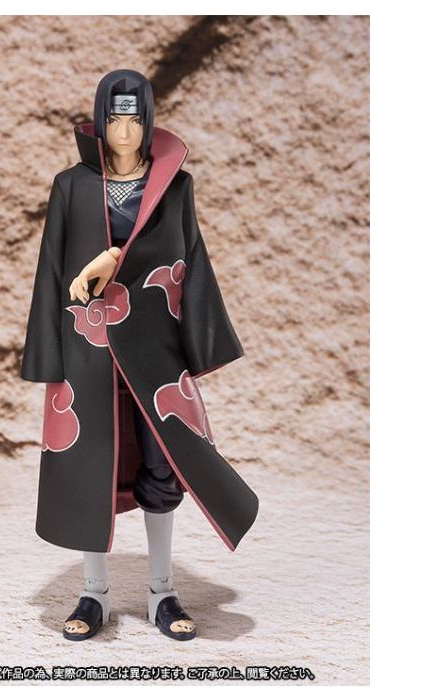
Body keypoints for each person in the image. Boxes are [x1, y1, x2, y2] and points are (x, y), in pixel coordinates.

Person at [20, 69, 258, 643]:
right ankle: (94, 592)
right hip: (86, 349)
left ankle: (161, 591)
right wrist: (48, 356)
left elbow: (189, 257)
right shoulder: (71, 186)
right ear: (100, 122)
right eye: (114, 118)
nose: (124, 131)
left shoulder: (175, 186)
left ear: (148, 122)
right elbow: (51, 269)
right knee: (88, 467)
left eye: (134, 119)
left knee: (162, 467)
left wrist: (195, 338)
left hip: (154, 350)